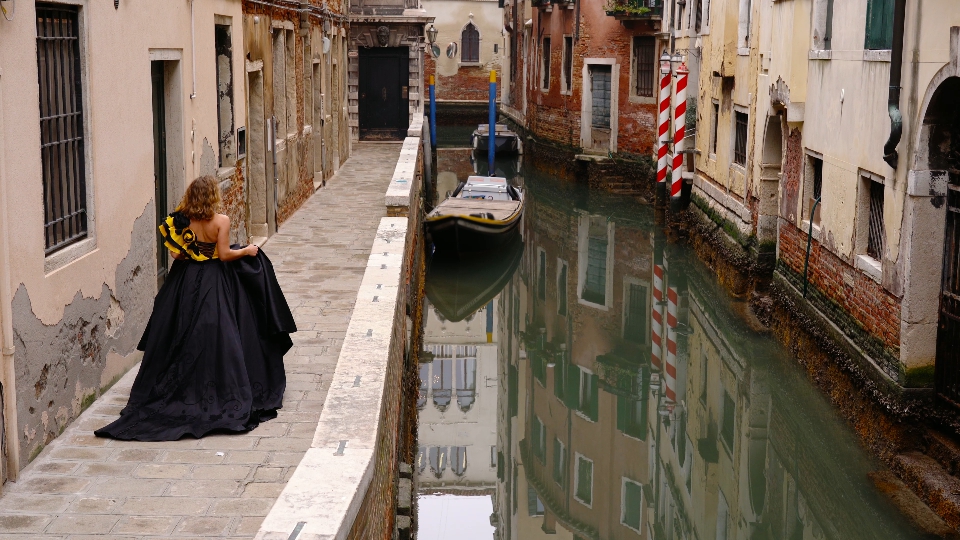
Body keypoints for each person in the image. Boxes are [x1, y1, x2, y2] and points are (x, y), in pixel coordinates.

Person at [95, 176, 296, 441]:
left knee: (181, 331)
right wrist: (247, 251)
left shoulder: (182, 219)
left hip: (185, 281)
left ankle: (183, 386)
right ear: (212, 196)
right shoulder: (221, 221)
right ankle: (220, 386)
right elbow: (223, 255)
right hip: (214, 280)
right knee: (220, 332)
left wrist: (192, 250)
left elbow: (177, 254)